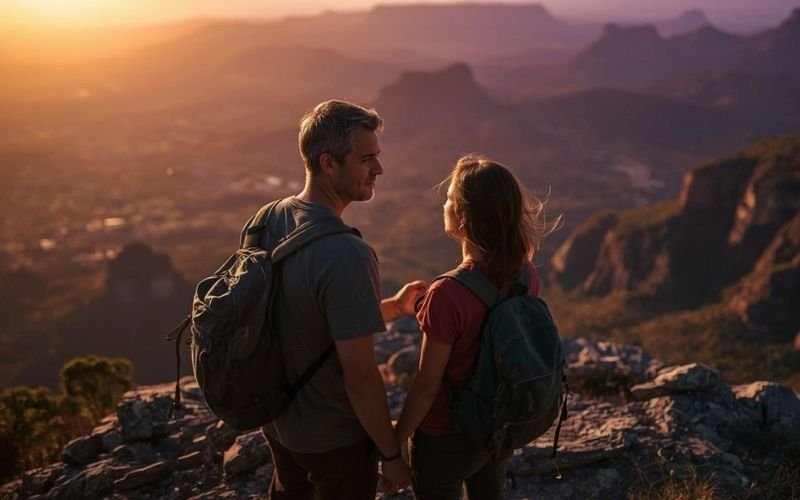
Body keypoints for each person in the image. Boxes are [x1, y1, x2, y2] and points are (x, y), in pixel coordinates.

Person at [258, 99, 427, 500]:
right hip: (334, 441)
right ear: (328, 163)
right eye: (367, 159)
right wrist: (390, 453)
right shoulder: (348, 255)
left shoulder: (267, 218)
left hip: (280, 423)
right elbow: (362, 378)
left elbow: (306, 318)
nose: (379, 170)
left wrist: (395, 307)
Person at [394, 154, 560, 500]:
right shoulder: (525, 275)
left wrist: (392, 447)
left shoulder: (448, 294)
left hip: (444, 438)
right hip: (495, 425)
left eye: (450, 198)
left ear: (464, 220)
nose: (445, 203)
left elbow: (427, 385)